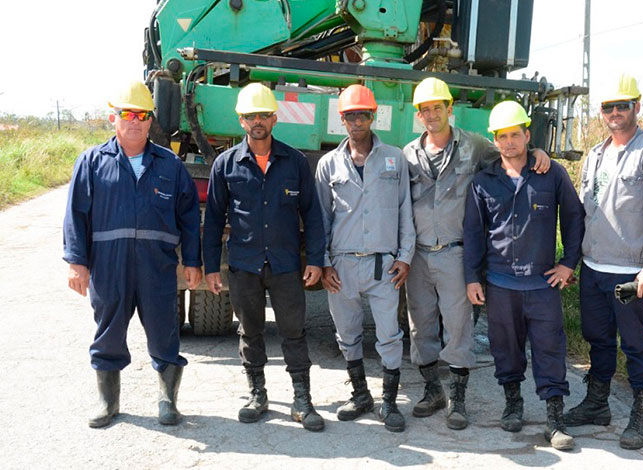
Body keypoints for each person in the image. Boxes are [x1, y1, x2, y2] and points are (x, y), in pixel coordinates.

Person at [403, 77, 551, 430]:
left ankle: (458, 399)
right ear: (419, 116)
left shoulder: (475, 147)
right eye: (425, 109)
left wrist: (538, 153)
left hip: (455, 254)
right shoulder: (408, 154)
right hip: (418, 255)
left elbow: (511, 155)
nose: (431, 114)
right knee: (420, 325)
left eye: (437, 107)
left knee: (458, 329)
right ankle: (432, 390)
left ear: (449, 109)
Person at [63, 81, 202, 428]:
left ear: (150, 119)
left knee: (164, 331)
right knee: (107, 332)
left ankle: (168, 401)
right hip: (109, 266)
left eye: (142, 115)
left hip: (156, 265)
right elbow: (75, 215)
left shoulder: (169, 165)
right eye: (127, 114)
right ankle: (107, 403)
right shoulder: (92, 162)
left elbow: (188, 217)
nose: (135, 121)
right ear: (114, 118)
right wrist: (77, 263)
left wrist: (194, 261)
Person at [564, 74, 643, 450]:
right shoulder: (597, 154)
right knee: (597, 338)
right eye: (608, 107)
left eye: (622, 106)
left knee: (635, 343)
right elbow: (587, 208)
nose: (614, 113)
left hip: (631, 273)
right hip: (594, 267)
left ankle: (641, 414)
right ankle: (598, 403)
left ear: (637, 107)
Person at [202, 83, 326, 432]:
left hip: (286, 266)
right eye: (250, 116)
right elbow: (213, 220)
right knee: (250, 332)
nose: (257, 121)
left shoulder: (296, 162)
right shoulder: (226, 165)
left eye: (263, 115)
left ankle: (302, 400)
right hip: (244, 266)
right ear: (241, 121)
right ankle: (257, 395)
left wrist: (314, 259)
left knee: (294, 333)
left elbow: (312, 215)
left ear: (274, 119)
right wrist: (213, 267)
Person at [463, 101, 584, 450]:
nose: (510, 142)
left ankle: (554, 418)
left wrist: (569, 262)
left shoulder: (552, 174)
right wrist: (473, 277)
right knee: (506, 348)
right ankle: (513, 403)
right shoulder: (483, 182)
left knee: (549, 348)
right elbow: (473, 232)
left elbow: (574, 218)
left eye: (516, 134)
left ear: (527, 135)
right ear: (495, 141)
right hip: (500, 284)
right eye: (502, 136)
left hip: (542, 283)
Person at [315, 84, 416, 433]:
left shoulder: (394, 158)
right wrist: (323, 262)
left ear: (374, 117)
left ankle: (388, 402)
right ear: (341, 119)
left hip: (383, 265)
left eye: (363, 114)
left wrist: (405, 257)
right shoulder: (329, 164)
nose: (357, 121)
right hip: (341, 265)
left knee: (389, 334)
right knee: (347, 334)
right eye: (350, 115)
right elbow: (320, 219)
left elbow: (405, 210)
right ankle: (360, 395)